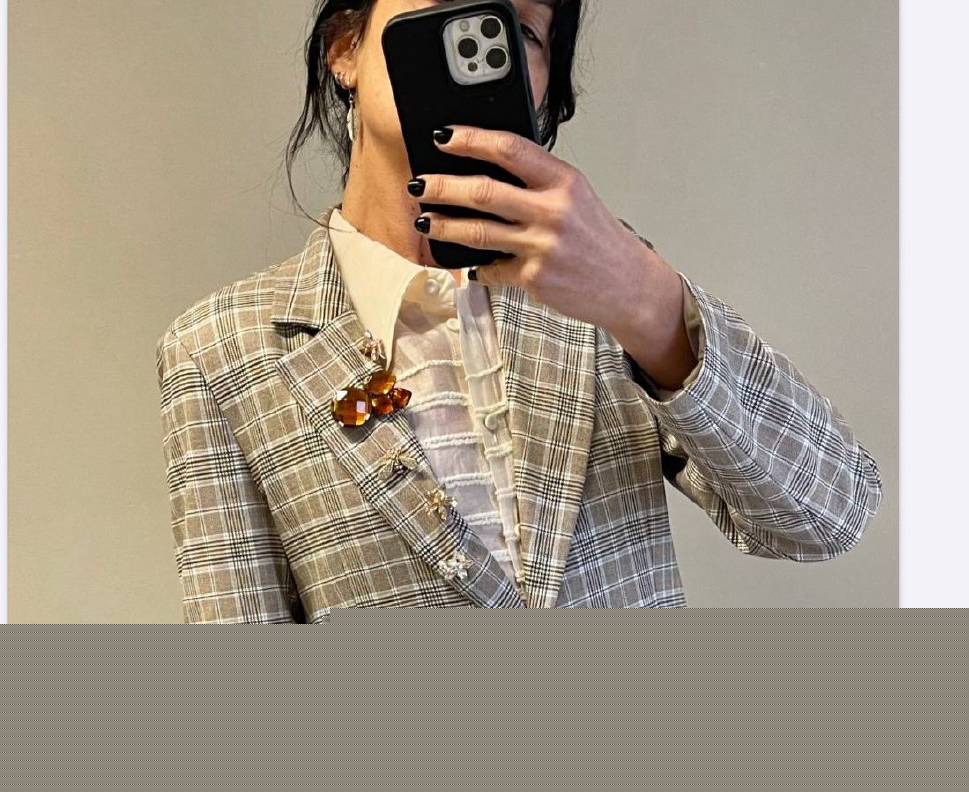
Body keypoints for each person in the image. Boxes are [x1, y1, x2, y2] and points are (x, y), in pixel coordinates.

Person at [157, 0, 882, 621]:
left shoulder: (606, 288)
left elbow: (827, 515)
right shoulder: (220, 352)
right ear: (345, 47)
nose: (473, 45)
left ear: (539, 90)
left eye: (521, 31)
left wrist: (646, 300)